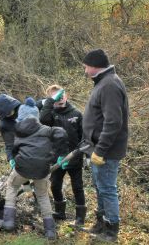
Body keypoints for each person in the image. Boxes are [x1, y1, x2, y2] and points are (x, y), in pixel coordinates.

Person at [0, 97, 68, 240]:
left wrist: (13, 160)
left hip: (22, 168)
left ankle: (8, 221)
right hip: (42, 170)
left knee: (12, 185)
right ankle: (50, 231)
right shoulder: (46, 129)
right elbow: (61, 133)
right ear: (37, 116)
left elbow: (14, 149)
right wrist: (60, 154)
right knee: (42, 196)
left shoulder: (17, 130)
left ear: (20, 117)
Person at [82, 49, 129, 242]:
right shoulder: (103, 82)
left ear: (94, 66)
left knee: (107, 188)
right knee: (100, 187)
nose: (84, 71)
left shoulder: (109, 85)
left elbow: (113, 122)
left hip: (106, 151)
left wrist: (100, 150)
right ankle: (100, 224)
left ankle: (111, 230)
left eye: (85, 67)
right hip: (96, 148)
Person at [39, 85, 86, 226]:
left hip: (74, 157)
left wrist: (80, 153)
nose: (60, 99)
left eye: (62, 95)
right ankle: (60, 212)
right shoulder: (51, 114)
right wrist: (49, 102)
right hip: (56, 158)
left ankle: (80, 218)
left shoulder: (77, 114)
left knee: (77, 186)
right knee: (55, 186)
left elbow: (84, 136)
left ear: (67, 96)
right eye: (56, 97)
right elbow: (42, 120)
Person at [0, 94, 21, 163]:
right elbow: (9, 143)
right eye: (7, 113)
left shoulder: (23, 111)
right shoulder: (4, 125)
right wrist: (10, 157)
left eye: (10, 111)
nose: (9, 113)